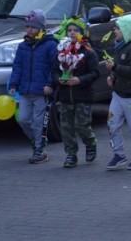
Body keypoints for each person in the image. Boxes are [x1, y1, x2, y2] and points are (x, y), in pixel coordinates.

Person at [8, 9, 58, 164]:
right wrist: (14, 83)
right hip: (25, 90)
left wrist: (50, 84)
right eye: (27, 26)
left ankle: (40, 149)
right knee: (23, 119)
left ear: (41, 28)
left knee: (38, 121)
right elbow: (17, 66)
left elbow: (54, 67)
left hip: (41, 91)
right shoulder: (23, 46)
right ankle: (35, 141)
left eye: (33, 27)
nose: (29, 30)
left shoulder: (50, 45)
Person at [53, 16, 100, 168]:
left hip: (83, 95)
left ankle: (90, 143)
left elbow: (95, 73)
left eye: (75, 30)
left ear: (82, 33)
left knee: (82, 125)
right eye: (69, 30)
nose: (72, 33)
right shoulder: (61, 51)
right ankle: (71, 154)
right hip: (66, 96)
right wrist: (58, 79)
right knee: (66, 127)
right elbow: (54, 70)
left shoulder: (88, 52)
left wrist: (80, 80)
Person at [104, 14, 131, 170]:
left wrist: (114, 68)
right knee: (112, 124)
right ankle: (119, 155)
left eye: (118, 28)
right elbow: (118, 66)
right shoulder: (119, 46)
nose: (115, 31)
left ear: (127, 30)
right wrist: (112, 76)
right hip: (118, 94)